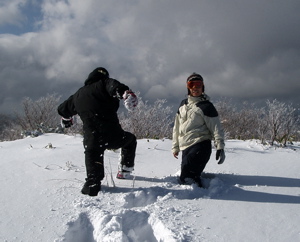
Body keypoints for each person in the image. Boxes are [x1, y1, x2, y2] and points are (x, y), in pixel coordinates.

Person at [57, 67, 138, 196]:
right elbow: (115, 87)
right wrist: (126, 94)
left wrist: (66, 118)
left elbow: (63, 109)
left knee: (93, 171)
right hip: (113, 134)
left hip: (92, 138)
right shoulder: (104, 83)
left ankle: (92, 189)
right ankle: (125, 170)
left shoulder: (78, 95)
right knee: (130, 140)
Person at [172, 73, 225, 187]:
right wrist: (175, 146)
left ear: (203, 86)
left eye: (198, 84)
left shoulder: (206, 106)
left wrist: (220, 147)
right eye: (192, 84)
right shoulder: (183, 104)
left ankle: (201, 199)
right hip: (185, 147)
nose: (195, 88)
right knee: (187, 176)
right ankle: (196, 192)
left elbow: (216, 128)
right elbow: (177, 127)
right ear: (188, 87)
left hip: (201, 145)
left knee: (187, 178)